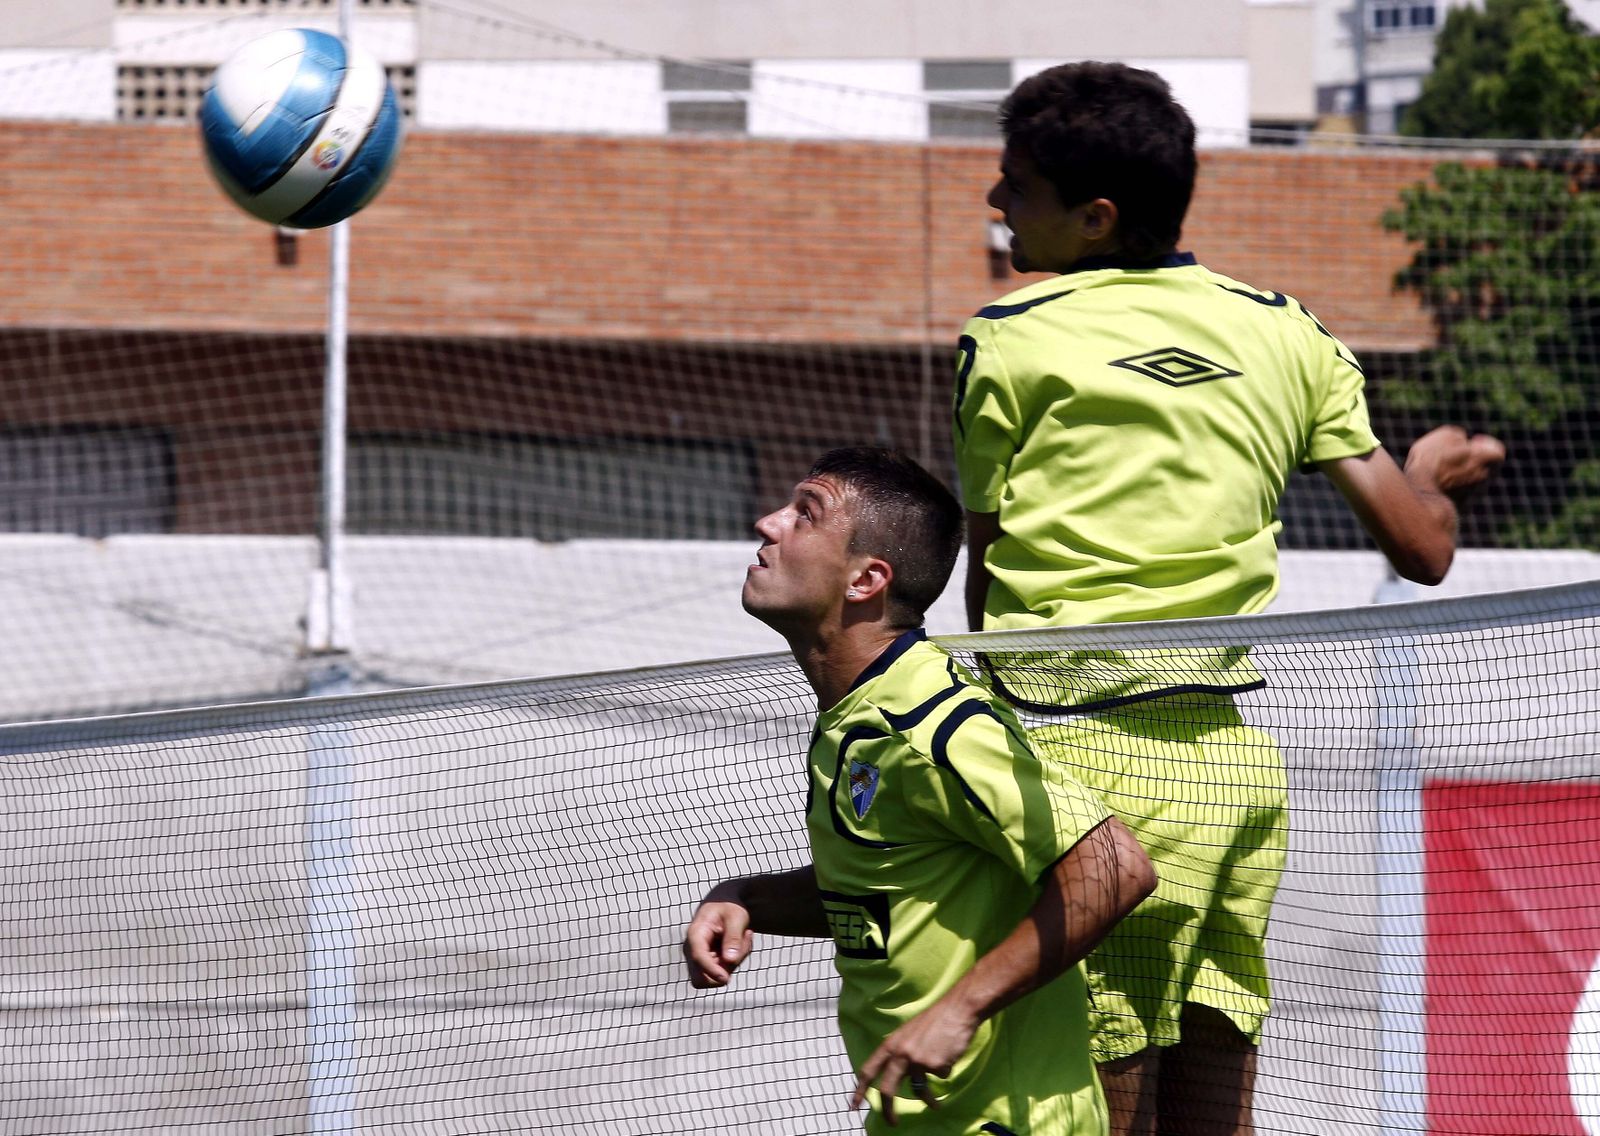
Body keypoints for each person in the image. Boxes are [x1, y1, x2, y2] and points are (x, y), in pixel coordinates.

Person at [953, 62, 1506, 1136]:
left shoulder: (1006, 336)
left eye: (1013, 185)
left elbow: (986, 570)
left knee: (1090, 1099)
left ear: (1094, 216)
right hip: (1231, 771)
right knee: (1211, 1099)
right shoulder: (1284, 329)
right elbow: (1422, 547)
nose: (994, 202)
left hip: (1078, 766)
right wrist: (1431, 469)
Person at [682, 446, 1157, 1135]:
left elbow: (1116, 869)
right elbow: (892, 888)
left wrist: (959, 1008)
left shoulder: (931, 722)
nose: (767, 523)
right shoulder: (861, 715)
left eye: (803, 514)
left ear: (866, 579)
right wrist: (748, 898)